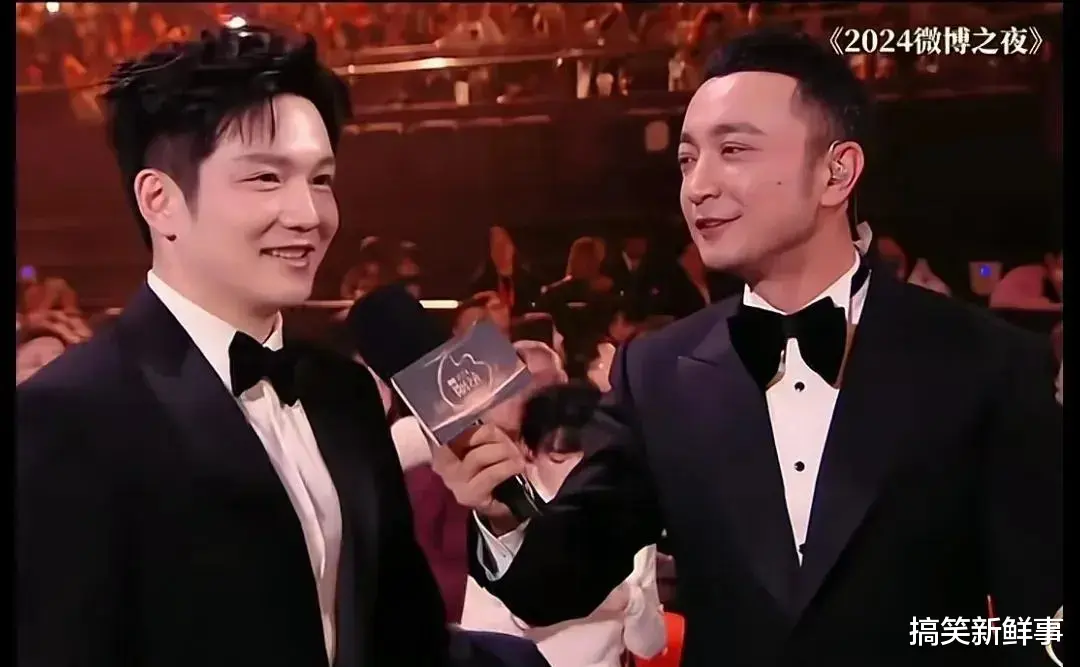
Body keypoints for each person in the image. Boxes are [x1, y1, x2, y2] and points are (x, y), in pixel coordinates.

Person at [432, 29, 1062, 666]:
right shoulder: (658, 371)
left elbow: (1038, 620)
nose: (697, 186)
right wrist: (504, 509)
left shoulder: (988, 362)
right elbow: (562, 580)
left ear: (837, 172)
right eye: (686, 160)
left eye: (733, 150)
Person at [17, 26, 452, 667]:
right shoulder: (67, 416)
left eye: (322, 179)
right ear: (160, 201)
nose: (309, 214)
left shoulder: (346, 395)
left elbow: (405, 635)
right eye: (267, 178)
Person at [461, 375, 667, 667]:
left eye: (588, 463)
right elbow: (501, 624)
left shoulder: (619, 517)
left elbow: (650, 645)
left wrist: (631, 600)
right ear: (528, 451)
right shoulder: (503, 525)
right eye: (559, 459)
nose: (576, 476)